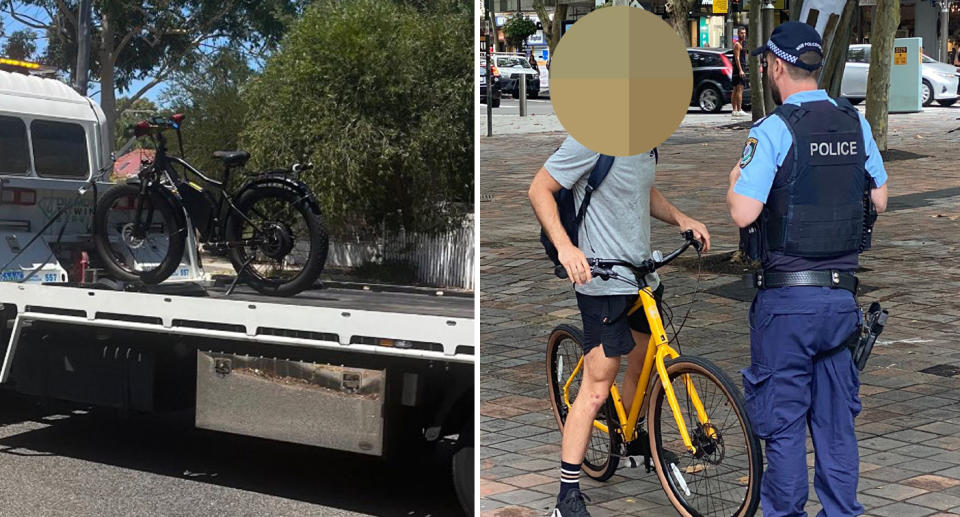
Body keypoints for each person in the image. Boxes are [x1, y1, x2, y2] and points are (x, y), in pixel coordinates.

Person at [726, 21, 888, 517]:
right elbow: (879, 198)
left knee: (784, 422)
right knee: (836, 425)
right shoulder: (853, 122)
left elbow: (744, 213)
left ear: (776, 66)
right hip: (841, 301)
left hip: (787, 306)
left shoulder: (774, 130)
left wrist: (736, 177)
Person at [529, 139, 710, 517]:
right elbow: (540, 188)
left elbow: (640, 191)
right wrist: (566, 247)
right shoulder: (590, 139)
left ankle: (631, 433)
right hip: (601, 280)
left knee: (646, 357)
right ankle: (566, 498)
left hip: (641, 277)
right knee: (597, 385)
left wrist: (682, 219)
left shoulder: (646, 142)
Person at [732, 26, 749, 118]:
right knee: (739, 89)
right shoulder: (738, 45)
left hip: (739, 68)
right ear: (738, 34)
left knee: (735, 89)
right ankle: (739, 109)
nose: (744, 35)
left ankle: (734, 110)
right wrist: (741, 70)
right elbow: (737, 58)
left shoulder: (743, 44)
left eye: (745, 33)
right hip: (739, 68)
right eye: (742, 33)